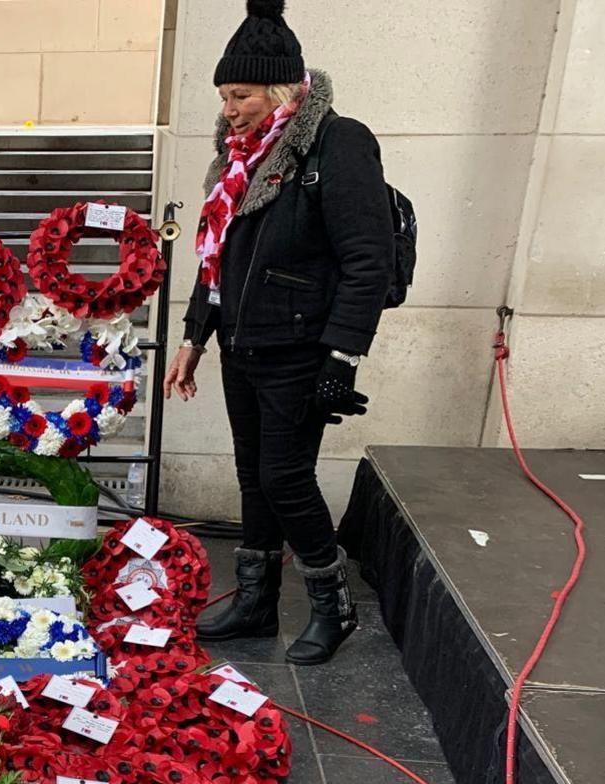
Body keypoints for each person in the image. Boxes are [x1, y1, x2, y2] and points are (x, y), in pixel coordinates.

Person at [162, 0, 391, 665]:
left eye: (241, 94)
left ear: (282, 88)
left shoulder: (337, 142)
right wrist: (193, 337)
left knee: (285, 476)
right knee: (254, 477)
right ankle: (258, 601)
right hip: (243, 342)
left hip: (301, 347)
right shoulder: (238, 158)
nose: (228, 109)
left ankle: (332, 604)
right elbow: (218, 258)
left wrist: (342, 357)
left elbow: (366, 259)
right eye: (224, 96)